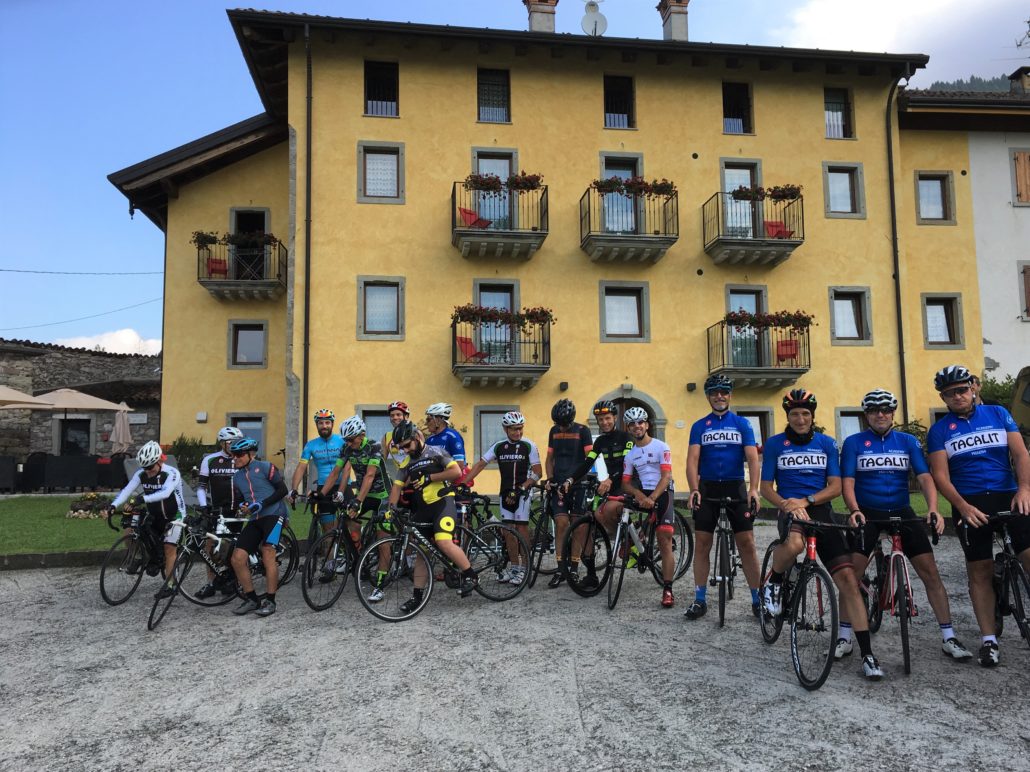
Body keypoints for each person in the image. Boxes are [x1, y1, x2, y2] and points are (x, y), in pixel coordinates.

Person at [760, 389, 884, 680]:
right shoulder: (775, 444)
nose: (800, 419)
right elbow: (765, 488)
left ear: (812, 416)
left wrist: (808, 501)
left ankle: (867, 654)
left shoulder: (826, 443)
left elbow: (836, 486)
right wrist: (787, 504)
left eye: (805, 413)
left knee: (848, 581)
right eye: (794, 414)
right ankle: (774, 581)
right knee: (794, 545)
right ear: (788, 416)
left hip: (820, 510)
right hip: (790, 508)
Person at [841, 389, 973, 662]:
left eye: (886, 410)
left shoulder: (908, 441)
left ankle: (949, 636)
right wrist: (854, 510)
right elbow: (848, 482)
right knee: (851, 577)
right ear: (866, 415)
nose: (880, 414)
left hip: (902, 510)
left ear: (893, 413)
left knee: (931, 574)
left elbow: (924, 477)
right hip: (868, 512)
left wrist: (933, 509)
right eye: (874, 410)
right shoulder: (854, 442)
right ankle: (844, 636)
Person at [927, 365, 1030, 667]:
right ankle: (989, 640)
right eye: (949, 393)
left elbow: (1020, 454)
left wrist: (1025, 489)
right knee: (979, 571)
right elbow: (940, 475)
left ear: (973, 388)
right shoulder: (940, 430)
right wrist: (962, 506)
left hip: (1007, 494)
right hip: (969, 502)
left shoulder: (997, 413)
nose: (957, 396)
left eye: (962, 389)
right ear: (943, 398)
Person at [685, 375, 763, 620]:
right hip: (708, 488)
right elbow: (692, 460)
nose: (719, 396)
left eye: (724, 392)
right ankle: (699, 599)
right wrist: (694, 489)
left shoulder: (742, 424)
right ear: (708, 396)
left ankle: (758, 600)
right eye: (714, 392)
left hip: (735, 487)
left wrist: (753, 489)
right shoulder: (699, 426)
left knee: (747, 544)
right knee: (702, 543)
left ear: (730, 395)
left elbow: (753, 459)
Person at [387, 420, 476, 611]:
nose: (405, 450)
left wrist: (430, 477)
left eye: (407, 445)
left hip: (442, 504)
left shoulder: (436, 452)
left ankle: (470, 575)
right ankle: (417, 597)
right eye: (402, 448)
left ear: (416, 437)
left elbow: (456, 471)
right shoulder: (407, 462)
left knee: (443, 542)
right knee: (422, 552)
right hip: (422, 510)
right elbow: (396, 486)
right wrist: (390, 508)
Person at [463, 411, 542, 585]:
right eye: (514, 429)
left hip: (523, 493)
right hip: (505, 493)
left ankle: (525, 568)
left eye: (520, 428)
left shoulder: (529, 445)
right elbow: (480, 464)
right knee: (507, 531)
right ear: (505, 429)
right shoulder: (499, 446)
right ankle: (515, 567)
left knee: (521, 529)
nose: (518, 432)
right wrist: (463, 483)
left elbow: (538, 473)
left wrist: (522, 488)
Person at [559, 400, 631, 590]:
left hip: (628, 484)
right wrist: (570, 480)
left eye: (607, 418)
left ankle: (629, 537)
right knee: (588, 525)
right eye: (600, 419)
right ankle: (591, 575)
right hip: (611, 485)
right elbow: (586, 464)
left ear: (614, 417)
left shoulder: (626, 437)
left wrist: (610, 480)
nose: (604, 422)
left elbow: (626, 465)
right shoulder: (599, 442)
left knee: (607, 511)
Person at [322, 415, 393, 599]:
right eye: (346, 440)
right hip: (365, 493)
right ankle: (360, 554)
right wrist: (321, 495)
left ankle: (380, 585)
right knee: (345, 519)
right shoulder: (347, 448)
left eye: (351, 439)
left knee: (383, 538)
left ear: (361, 435)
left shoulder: (374, 447)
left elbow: (370, 475)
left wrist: (358, 501)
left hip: (383, 496)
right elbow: (335, 472)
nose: (348, 443)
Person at [109, 441, 187, 599]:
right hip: (155, 514)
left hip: (174, 515)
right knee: (130, 531)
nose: (147, 471)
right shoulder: (142, 474)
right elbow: (127, 490)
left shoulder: (171, 473)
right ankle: (139, 556)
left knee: (169, 548)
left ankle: (171, 585)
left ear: (160, 460)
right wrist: (113, 505)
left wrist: (141, 499)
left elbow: (165, 493)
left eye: (150, 467)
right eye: (144, 467)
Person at [619, 407, 678, 608]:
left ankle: (668, 589)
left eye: (640, 422)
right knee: (620, 508)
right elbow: (625, 483)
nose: (637, 426)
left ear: (647, 425)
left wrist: (652, 498)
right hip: (644, 493)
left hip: (663, 492)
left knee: (664, 537)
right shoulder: (630, 455)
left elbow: (666, 476)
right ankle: (635, 538)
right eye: (632, 424)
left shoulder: (662, 446)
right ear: (628, 428)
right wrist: (640, 495)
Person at [229, 436, 290, 617]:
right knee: (237, 558)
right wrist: (242, 506)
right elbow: (241, 500)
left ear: (251, 454)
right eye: (233, 455)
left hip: (275, 514)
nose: (235, 458)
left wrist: (262, 504)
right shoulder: (237, 477)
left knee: (268, 552)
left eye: (239, 454)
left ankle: (270, 601)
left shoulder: (265, 467)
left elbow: (283, 490)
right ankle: (252, 599)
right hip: (255, 518)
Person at [544, 398, 593, 588]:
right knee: (561, 523)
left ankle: (574, 567)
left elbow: (589, 459)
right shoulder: (554, 431)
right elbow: (549, 458)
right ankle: (560, 569)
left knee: (578, 526)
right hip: (558, 483)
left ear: (571, 420)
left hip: (578, 484)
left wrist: (574, 478)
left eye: (564, 424)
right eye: (558, 424)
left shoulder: (583, 431)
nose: (561, 427)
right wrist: (550, 479)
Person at [195, 426, 245, 599]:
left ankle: (233, 581)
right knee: (210, 547)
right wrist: (204, 506)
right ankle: (210, 583)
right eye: (230, 442)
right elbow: (201, 487)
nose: (233, 445)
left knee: (234, 547)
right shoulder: (210, 460)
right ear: (222, 443)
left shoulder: (242, 459)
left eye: (237, 442)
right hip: (217, 510)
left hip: (238, 510)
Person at [289, 408, 345, 536]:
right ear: (316, 425)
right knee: (328, 530)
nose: (324, 426)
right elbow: (301, 467)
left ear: (332, 424)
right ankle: (330, 549)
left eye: (327, 422)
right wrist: (293, 489)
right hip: (323, 487)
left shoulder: (342, 441)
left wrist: (342, 490)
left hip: (343, 485)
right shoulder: (311, 445)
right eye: (321, 423)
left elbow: (347, 467)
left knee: (352, 525)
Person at [424, 402, 468, 473]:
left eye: (428, 420)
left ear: (438, 420)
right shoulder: (429, 440)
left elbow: (460, 465)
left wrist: (438, 477)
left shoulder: (453, 437)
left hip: (452, 479)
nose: (426, 423)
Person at [381, 401, 412, 479]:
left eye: (398, 415)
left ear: (406, 416)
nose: (395, 418)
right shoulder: (386, 437)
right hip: (401, 479)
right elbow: (381, 461)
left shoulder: (416, 433)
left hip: (418, 478)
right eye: (392, 415)